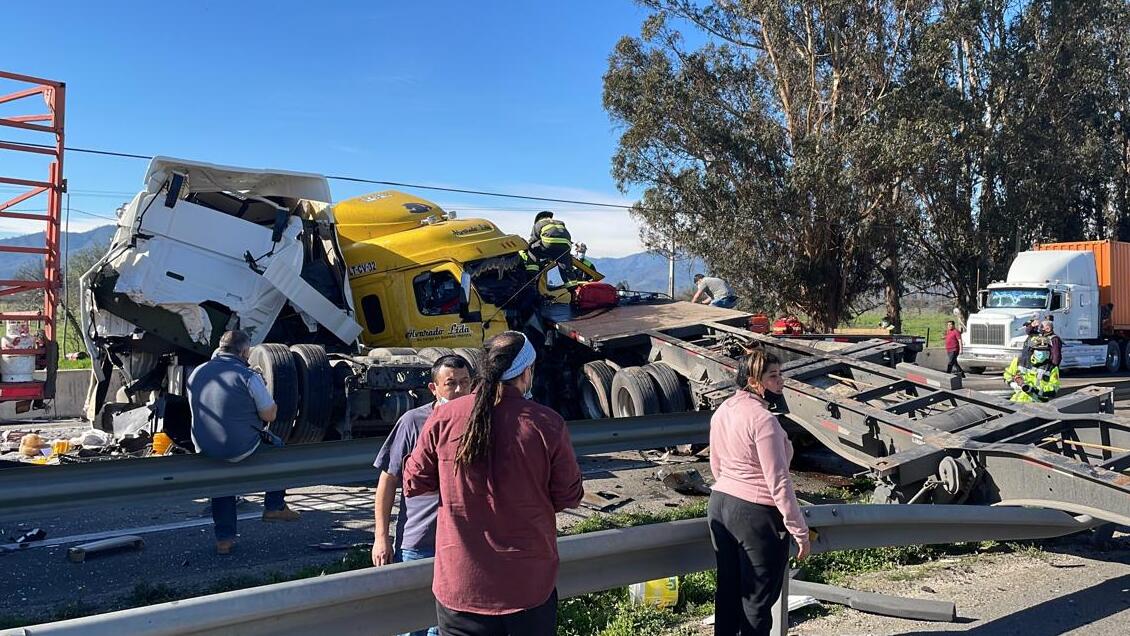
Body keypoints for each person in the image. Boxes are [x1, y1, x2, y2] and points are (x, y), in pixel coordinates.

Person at [403, 331, 584, 635]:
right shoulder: (546, 423)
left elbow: (413, 482)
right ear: (526, 373)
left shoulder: (444, 417)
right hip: (528, 586)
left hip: (461, 586)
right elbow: (569, 495)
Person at [708, 348, 809, 635]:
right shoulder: (764, 421)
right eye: (773, 376)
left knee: (728, 593)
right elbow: (779, 482)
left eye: (781, 374)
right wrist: (799, 530)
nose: (781, 382)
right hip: (756, 515)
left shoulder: (723, 410)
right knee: (757, 602)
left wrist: (732, 488)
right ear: (754, 382)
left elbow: (716, 464)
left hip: (720, 504)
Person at [372, 355, 473, 636]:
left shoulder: (479, 421)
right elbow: (388, 480)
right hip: (419, 541)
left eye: (465, 383)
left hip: (461, 544)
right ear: (434, 388)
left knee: (444, 627)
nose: (459, 391)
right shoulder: (413, 422)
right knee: (413, 624)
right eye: (450, 384)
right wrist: (381, 537)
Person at [187, 330, 299, 555]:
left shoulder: (197, 373)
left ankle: (224, 541)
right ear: (245, 351)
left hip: (204, 447)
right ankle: (274, 506)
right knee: (279, 452)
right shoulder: (247, 375)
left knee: (221, 482)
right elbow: (269, 416)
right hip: (240, 447)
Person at [528, 210, 573, 280]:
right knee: (564, 262)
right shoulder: (560, 222)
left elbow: (533, 239)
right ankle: (572, 285)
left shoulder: (538, 224)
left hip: (550, 244)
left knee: (532, 248)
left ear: (540, 218)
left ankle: (532, 271)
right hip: (566, 245)